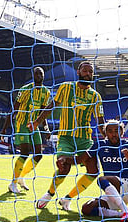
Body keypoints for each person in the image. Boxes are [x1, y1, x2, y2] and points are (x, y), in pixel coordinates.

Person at [27, 61, 105, 211]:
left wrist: (107, 137)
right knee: (64, 166)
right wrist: (37, 122)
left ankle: (67, 199)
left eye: (91, 72)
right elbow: (51, 106)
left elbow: (100, 121)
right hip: (66, 137)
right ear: (78, 72)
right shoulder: (66, 87)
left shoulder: (96, 96)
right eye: (85, 71)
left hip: (84, 139)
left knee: (93, 171)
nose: (88, 74)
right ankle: (49, 194)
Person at [71, 120, 128, 222]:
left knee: (101, 179)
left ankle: (126, 211)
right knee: (87, 208)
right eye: (110, 131)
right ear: (106, 133)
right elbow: (79, 159)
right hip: (112, 193)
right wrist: (64, 160)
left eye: (116, 131)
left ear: (122, 132)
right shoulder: (100, 145)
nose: (113, 134)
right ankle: (124, 213)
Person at [0, 67, 51, 194]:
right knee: (24, 153)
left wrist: (46, 128)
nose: (39, 75)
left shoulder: (46, 92)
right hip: (22, 124)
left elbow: (43, 113)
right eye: (37, 73)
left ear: (43, 76)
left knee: (39, 155)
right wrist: (4, 128)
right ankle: (13, 183)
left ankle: (21, 176)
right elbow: (14, 109)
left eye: (41, 73)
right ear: (33, 75)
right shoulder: (25, 90)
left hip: (34, 125)